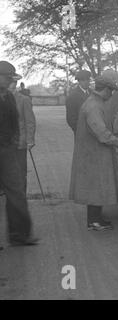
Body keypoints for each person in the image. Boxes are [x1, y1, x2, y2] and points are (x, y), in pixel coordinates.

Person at [69, 76, 118, 231]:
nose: (112, 94)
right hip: (94, 153)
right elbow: (101, 133)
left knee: (94, 185)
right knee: (96, 185)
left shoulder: (93, 102)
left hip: (92, 151)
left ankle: (95, 218)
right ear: (105, 89)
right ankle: (94, 221)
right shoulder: (94, 106)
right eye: (111, 91)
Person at [0, 61, 38, 246]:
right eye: (7, 78)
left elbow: (15, 121)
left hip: (7, 150)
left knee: (16, 190)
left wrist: (14, 140)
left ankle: (20, 234)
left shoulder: (8, 97)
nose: (10, 82)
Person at [9, 78, 36, 194]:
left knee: (20, 172)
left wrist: (30, 140)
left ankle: (21, 197)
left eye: (11, 83)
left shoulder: (23, 100)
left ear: (15, 84)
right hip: (4, 144)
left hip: (19, 143)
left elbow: (30, 121)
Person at [65, 70, 91, 135]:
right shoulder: (72, 96)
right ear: (79, 81)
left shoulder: (93, 94)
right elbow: (70, 118)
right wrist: (79, 130)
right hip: (80, 132)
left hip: (94, 131)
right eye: (83, 80)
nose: (86, 82)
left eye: (88, 80)